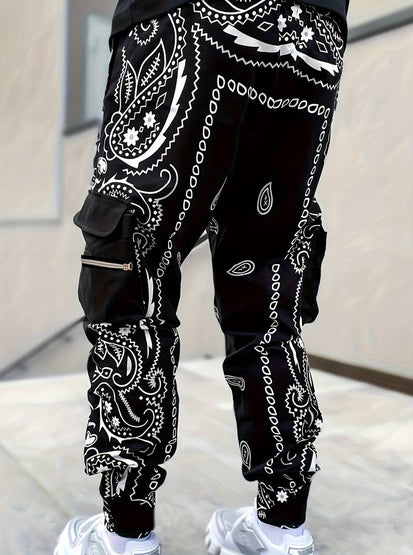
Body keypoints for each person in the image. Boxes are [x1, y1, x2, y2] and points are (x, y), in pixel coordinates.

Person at [54, 1, 349, 553]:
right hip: (314, 36)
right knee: (268, 275)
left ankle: (124, 532)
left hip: (185, 19)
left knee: (131, 258)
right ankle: (281, 525)